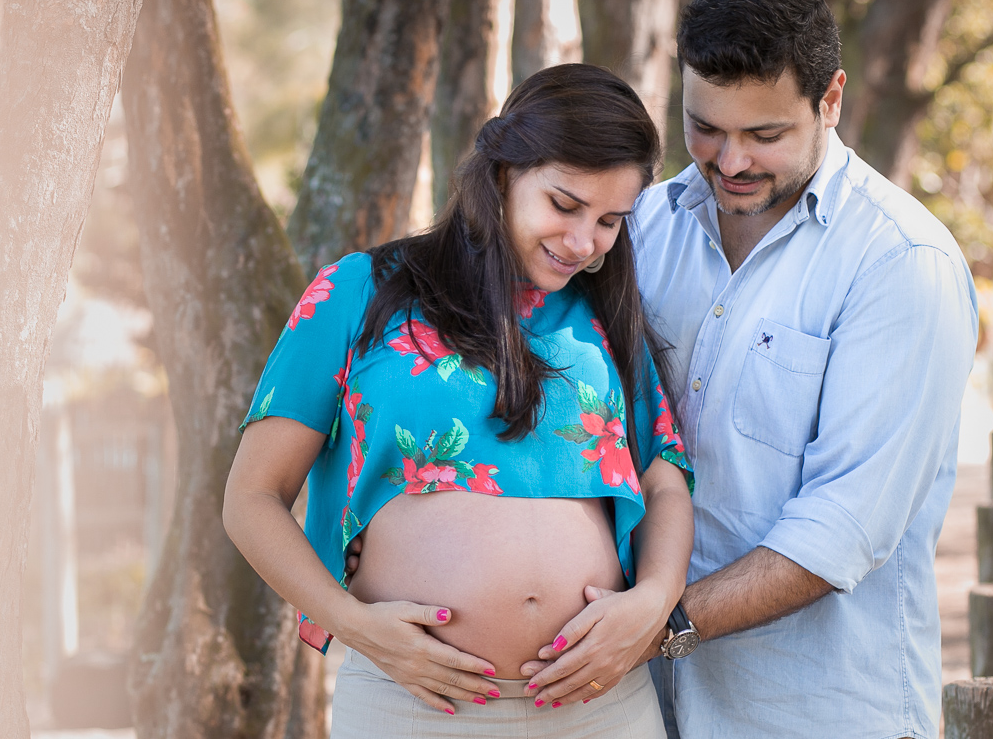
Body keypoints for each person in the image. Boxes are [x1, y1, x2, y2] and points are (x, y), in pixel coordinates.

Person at [524, 0, 979, 738]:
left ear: (830, 100)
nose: (730, 161)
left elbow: (846, 525)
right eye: (705, 127)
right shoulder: (641, 229)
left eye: (765, 136)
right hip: (632, 708)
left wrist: (659, 624)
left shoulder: (902, 264)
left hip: (813, 714)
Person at [222, 63, 694, 738]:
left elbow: (664, 477)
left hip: (602, 709)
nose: (583, 242)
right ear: (503, 173)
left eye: (610, 221)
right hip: (414, 707)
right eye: (564, 205)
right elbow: (251, 497)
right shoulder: (360, 291)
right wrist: (351, 623)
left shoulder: (606, 317)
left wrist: (654, 600)